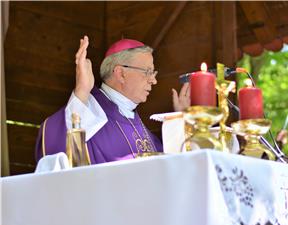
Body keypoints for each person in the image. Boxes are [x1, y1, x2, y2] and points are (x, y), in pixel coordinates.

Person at [35, 36, 189, 164]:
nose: (153, 81)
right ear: (120, 73)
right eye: (147, 72)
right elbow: (59, 153)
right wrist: (82, 90)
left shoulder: (138, 126)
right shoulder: (88, 112)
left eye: (153, 72)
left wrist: (182, 121)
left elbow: (172, 165)